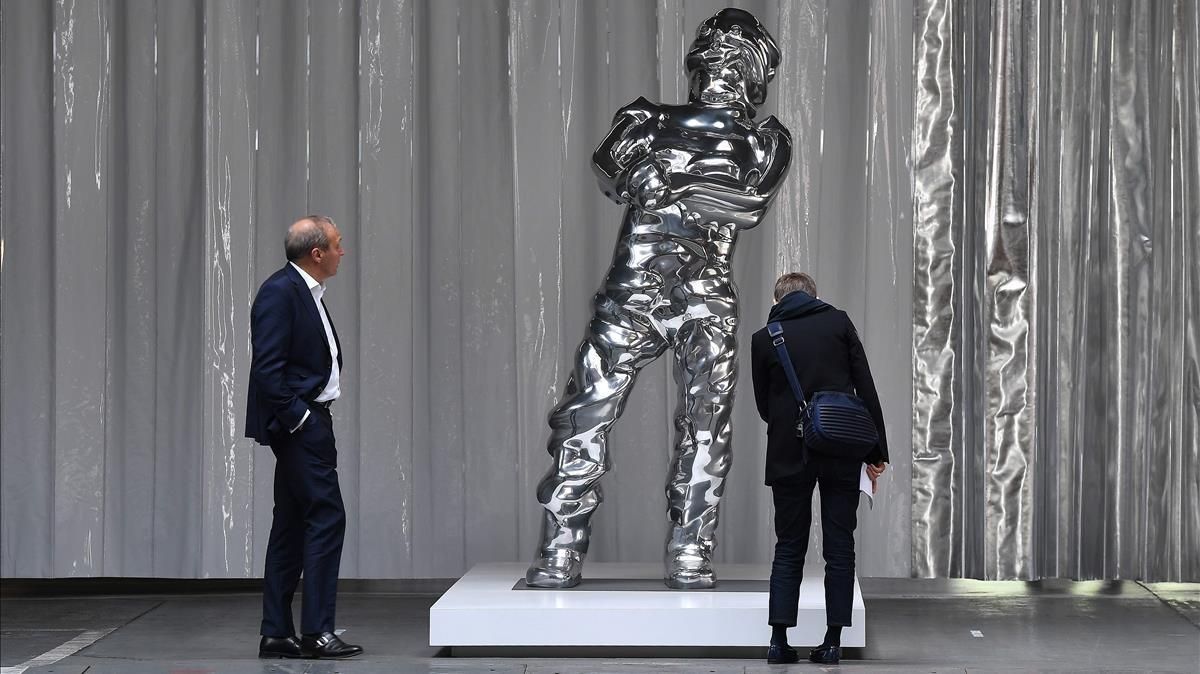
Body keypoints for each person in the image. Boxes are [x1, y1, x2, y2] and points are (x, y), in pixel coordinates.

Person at [524, 7, 792, 590]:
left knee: (706, 428)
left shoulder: (766, 140)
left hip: (706, 299)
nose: (721, 63)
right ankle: (560, 548)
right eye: (714, 51)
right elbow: (609, 166)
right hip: (633, 293)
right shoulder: (646, 118)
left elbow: (748, 207)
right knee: (584, 417)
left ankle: (691, 552)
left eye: (736, 55)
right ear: (698, 62)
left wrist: (669, 183)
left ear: (754, 72)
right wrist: (651, 177)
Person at [750, 272, 888, 665]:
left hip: (788, 451)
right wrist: (876, 452)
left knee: (788, 546)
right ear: (814, 296)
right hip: (842, 448)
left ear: (778, 298)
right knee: (840, 547)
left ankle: (778, 641)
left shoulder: (765, 338)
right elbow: (866, 387)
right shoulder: (838, 322)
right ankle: (832, 643)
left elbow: (764, 405)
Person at [245, 216, 362, 660]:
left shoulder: (302, 291)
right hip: (302, 428)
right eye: (337, 244)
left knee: (291, 526)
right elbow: (267, 371)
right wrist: (301, 421)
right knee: (327, 518)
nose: (341, 251)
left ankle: (276, 633)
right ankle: (317, 632)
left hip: (308, 423)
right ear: (317, 253)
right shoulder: (281, 292)